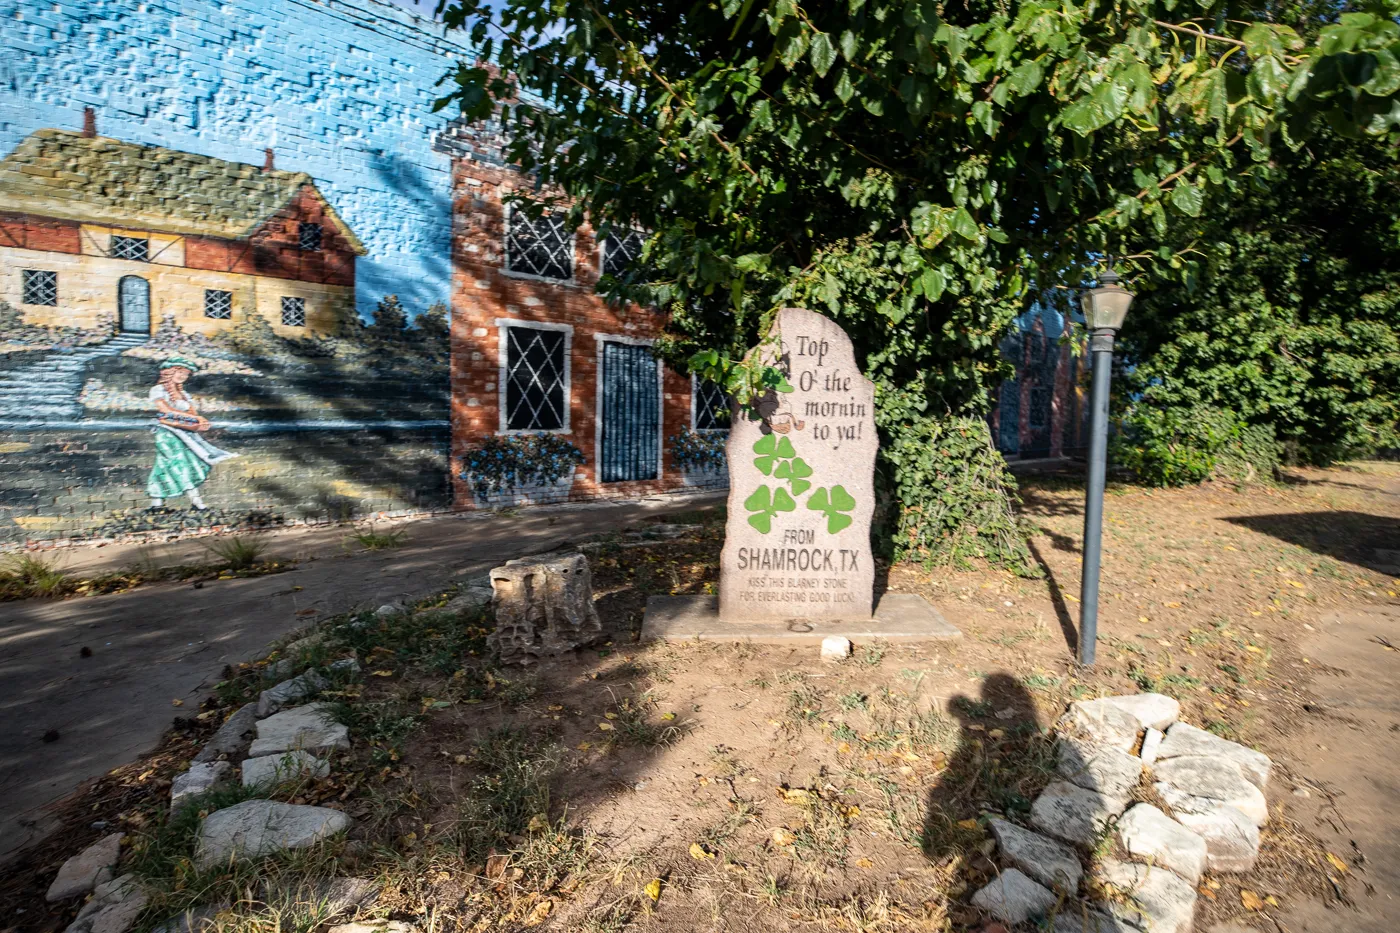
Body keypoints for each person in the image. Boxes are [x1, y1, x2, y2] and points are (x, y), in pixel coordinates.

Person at [145, 357, 237, 510]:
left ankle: (157, 504)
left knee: (175, 465)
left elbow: (192, 412)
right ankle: (196, 502)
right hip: (167, 432)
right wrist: (195, 418)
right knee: (178, 464)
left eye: (186, 374)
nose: (182, 376)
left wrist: (200, 422)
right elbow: (165, 410)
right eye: (179, 371)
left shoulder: (184, 394)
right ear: (169, 372)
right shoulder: (158, 390)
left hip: (184, 432)